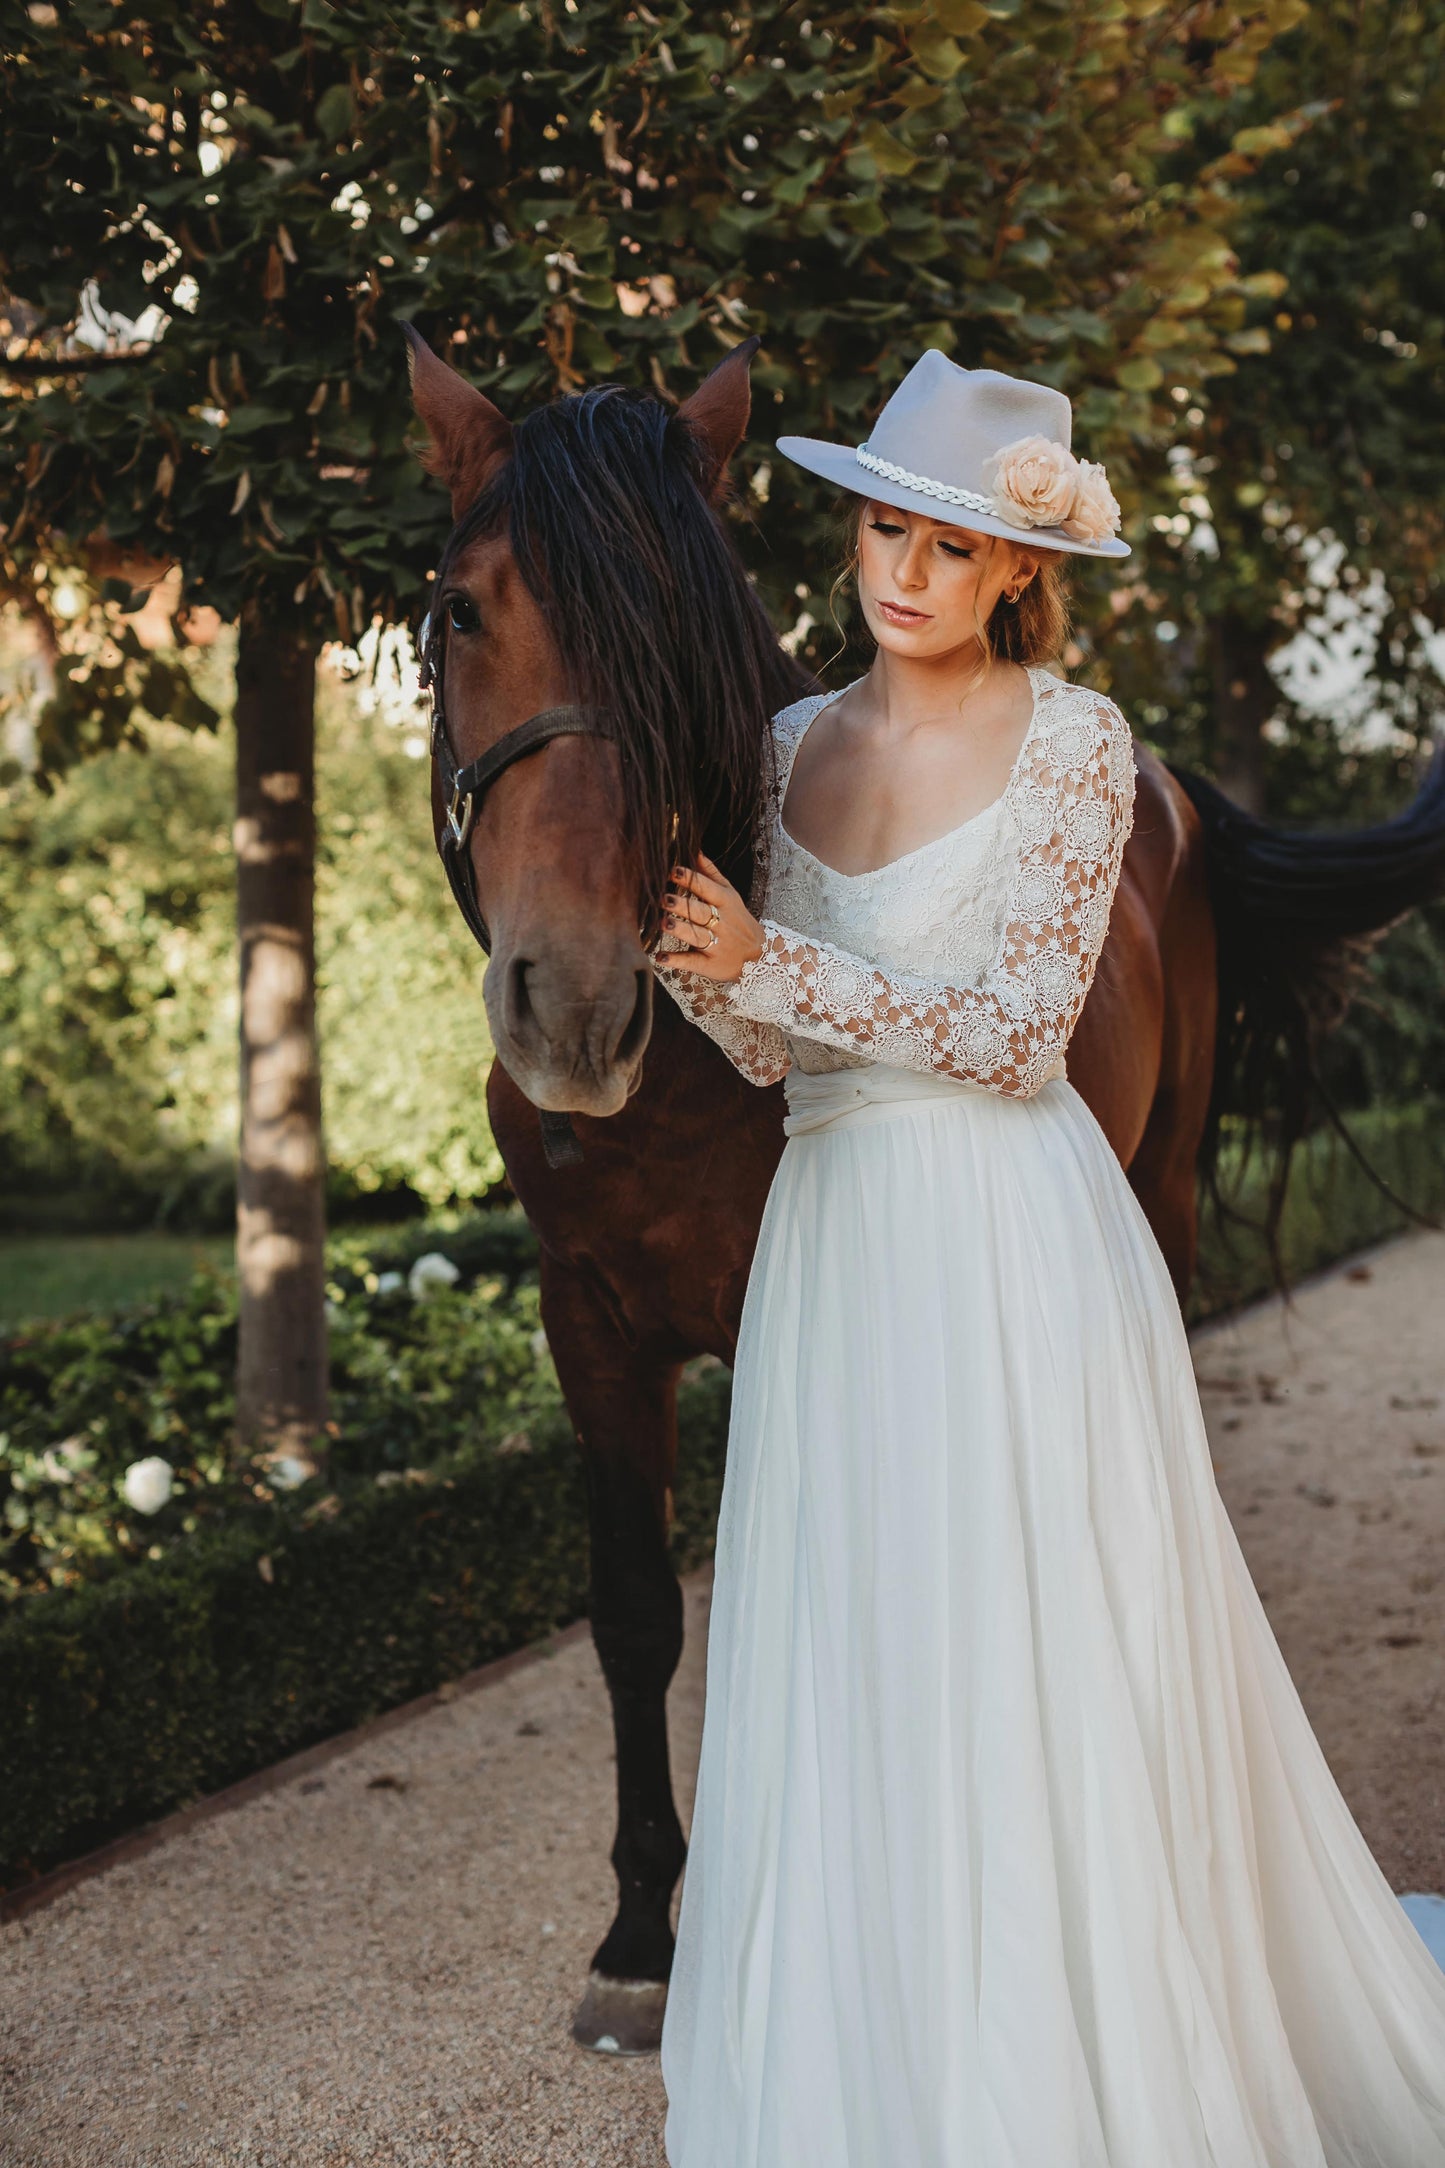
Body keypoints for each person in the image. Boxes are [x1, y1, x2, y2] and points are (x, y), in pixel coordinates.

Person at [650, 349, 1445, 2166]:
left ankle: (1062, 2071)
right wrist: (695, 964)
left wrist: (770, 963)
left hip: (1007, 1239)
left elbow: (1016, 1036)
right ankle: (878, 2059)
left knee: (1028, 1641)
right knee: (856, 1633)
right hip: (837, 1241)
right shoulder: (784, 747)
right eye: (884, 528)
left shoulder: (1074, 744)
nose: (906, 572)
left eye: (949, 544)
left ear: (1020, 566)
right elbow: (773, 1054)